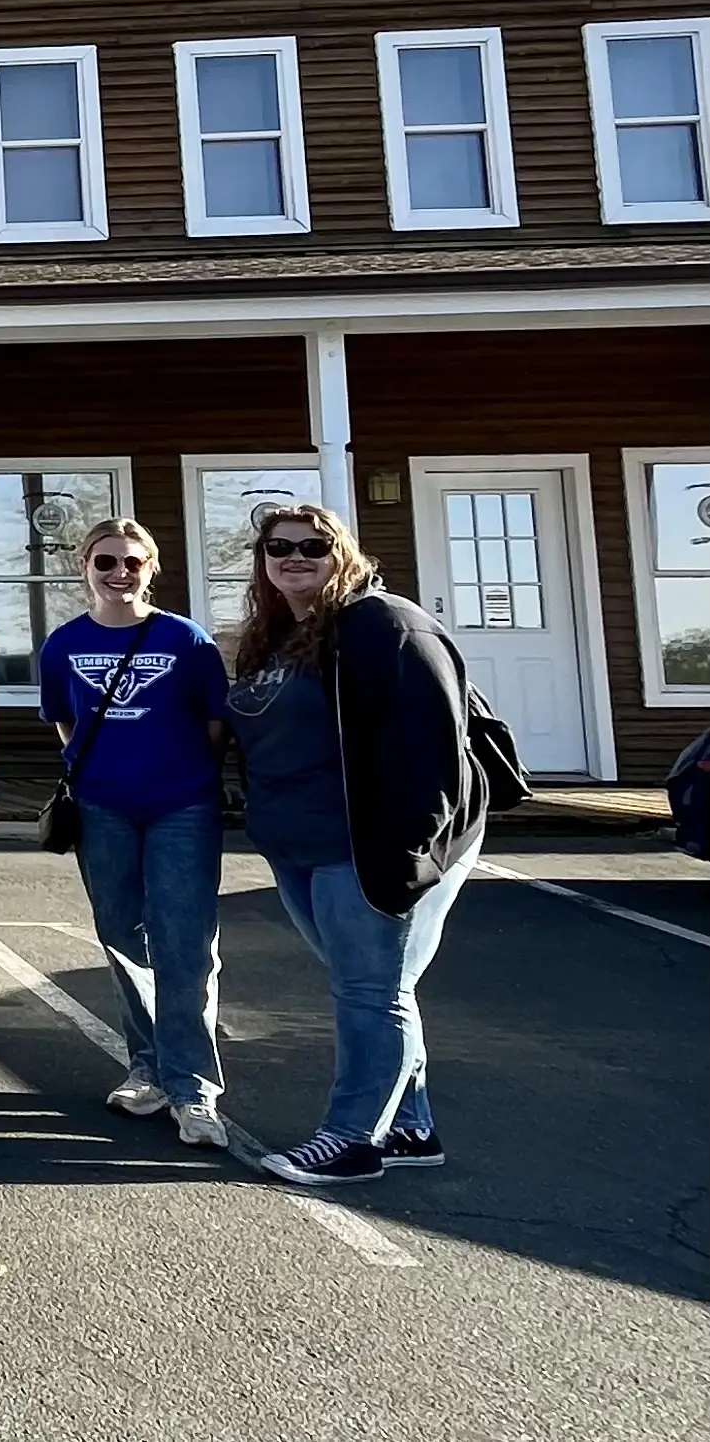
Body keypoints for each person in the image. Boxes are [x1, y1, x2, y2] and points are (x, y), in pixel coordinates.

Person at [225, 501, 489, 1188]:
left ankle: (351, 1138)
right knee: (376, 988)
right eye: (278, 547)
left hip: (366, 845)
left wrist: (405, 853)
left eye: (312, 546)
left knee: (370, 989)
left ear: (340, 553)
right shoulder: (277, 635)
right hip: (296, 842)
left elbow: (432, 748)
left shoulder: (384, 624)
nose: (293, 557)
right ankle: (409, 1126)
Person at [38, 518, 230, 1149]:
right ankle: (147, 1069)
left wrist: (171, 773)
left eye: (133, 563)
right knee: (122, 935)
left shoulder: (186, 640)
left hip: (182, 806)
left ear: (152, 570)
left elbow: (212, 725)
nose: (120, 573)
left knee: (184, 943)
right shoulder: (63, 644)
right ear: (84, 568)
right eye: (106, 562)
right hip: (102, 810)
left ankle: (193, 1087)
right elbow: (65, 723)